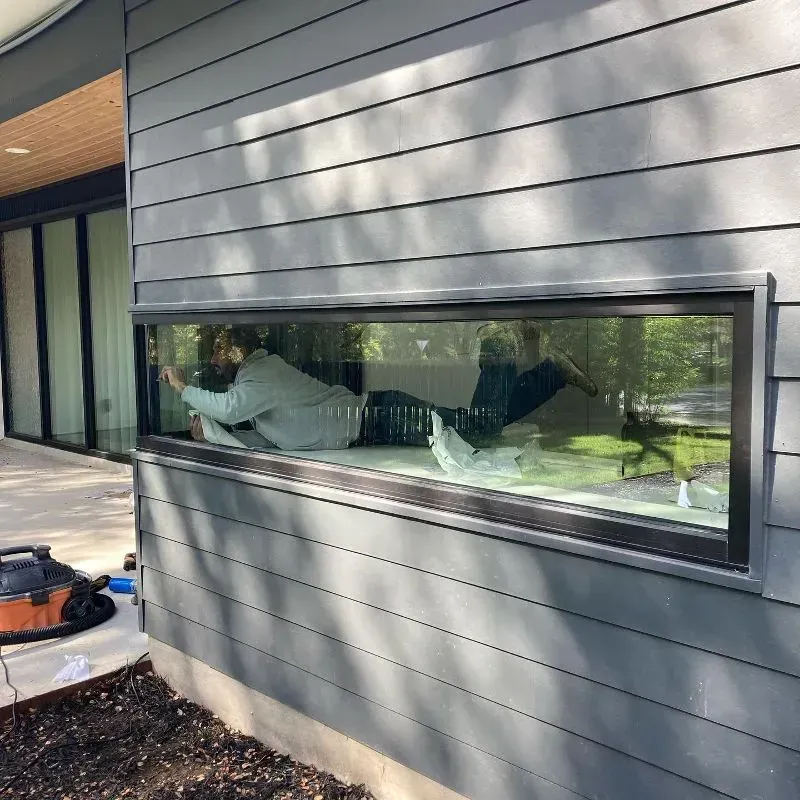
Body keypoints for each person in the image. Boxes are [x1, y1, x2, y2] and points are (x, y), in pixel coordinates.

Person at [159, 325, 598, 451]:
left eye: (217, 352)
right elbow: (255, 432)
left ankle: (500, 346)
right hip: (374, 422)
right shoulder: (258, 382)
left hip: (378, 417)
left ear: (236, 350)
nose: (213, 363)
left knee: (479, 430)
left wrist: (181, 389)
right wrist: (212, 434)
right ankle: (550, 373)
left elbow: (230, 408)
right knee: (484, 428)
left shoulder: (262, 375)